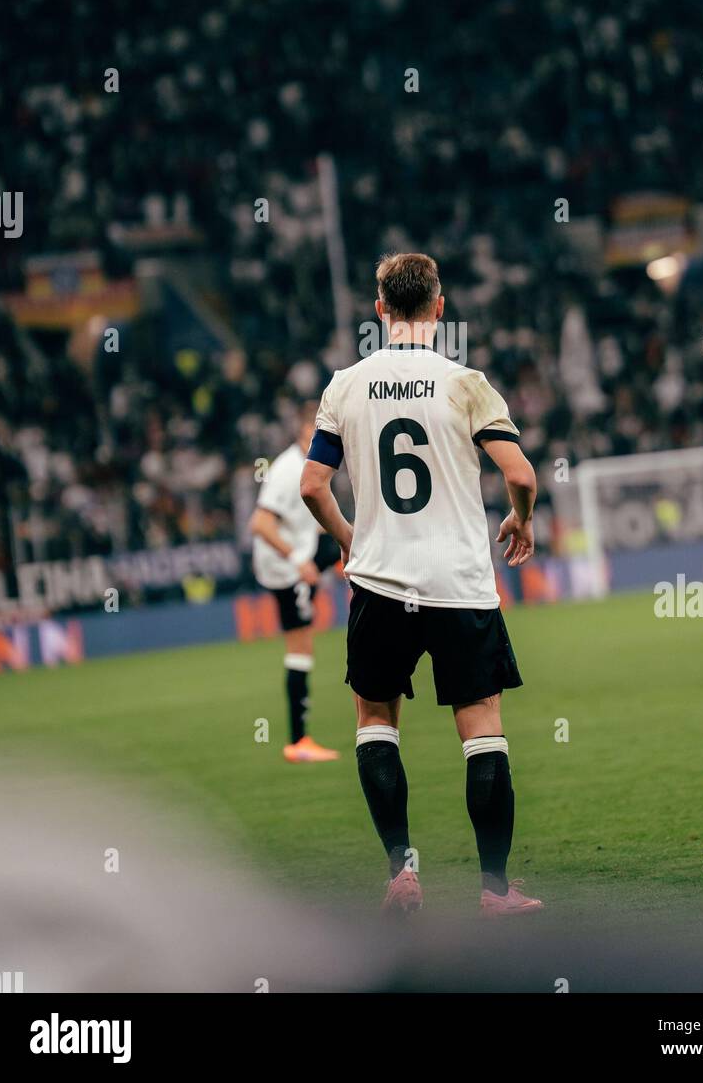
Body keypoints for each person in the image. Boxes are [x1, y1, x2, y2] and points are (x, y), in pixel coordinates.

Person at [300, 253, 541, 916]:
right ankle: (495, 891)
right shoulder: (467, 383)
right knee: (482, 732)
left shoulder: (344, 386)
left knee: (376, 724)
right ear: (440, 308)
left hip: (380, 583)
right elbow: (519, 474)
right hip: (458, 583)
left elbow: (312, 487)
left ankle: (401, 872)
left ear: (379, 311)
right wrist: (520, 521)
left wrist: (351, 540)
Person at [249, 402, 340, 763]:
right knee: (300, 646)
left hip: (296, 556)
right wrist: (298, 560)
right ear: (304, 432)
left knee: (350, 541)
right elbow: (260, 524)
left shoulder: (308, 463)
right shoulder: (288, 470)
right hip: (284, 570)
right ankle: (298, 740)